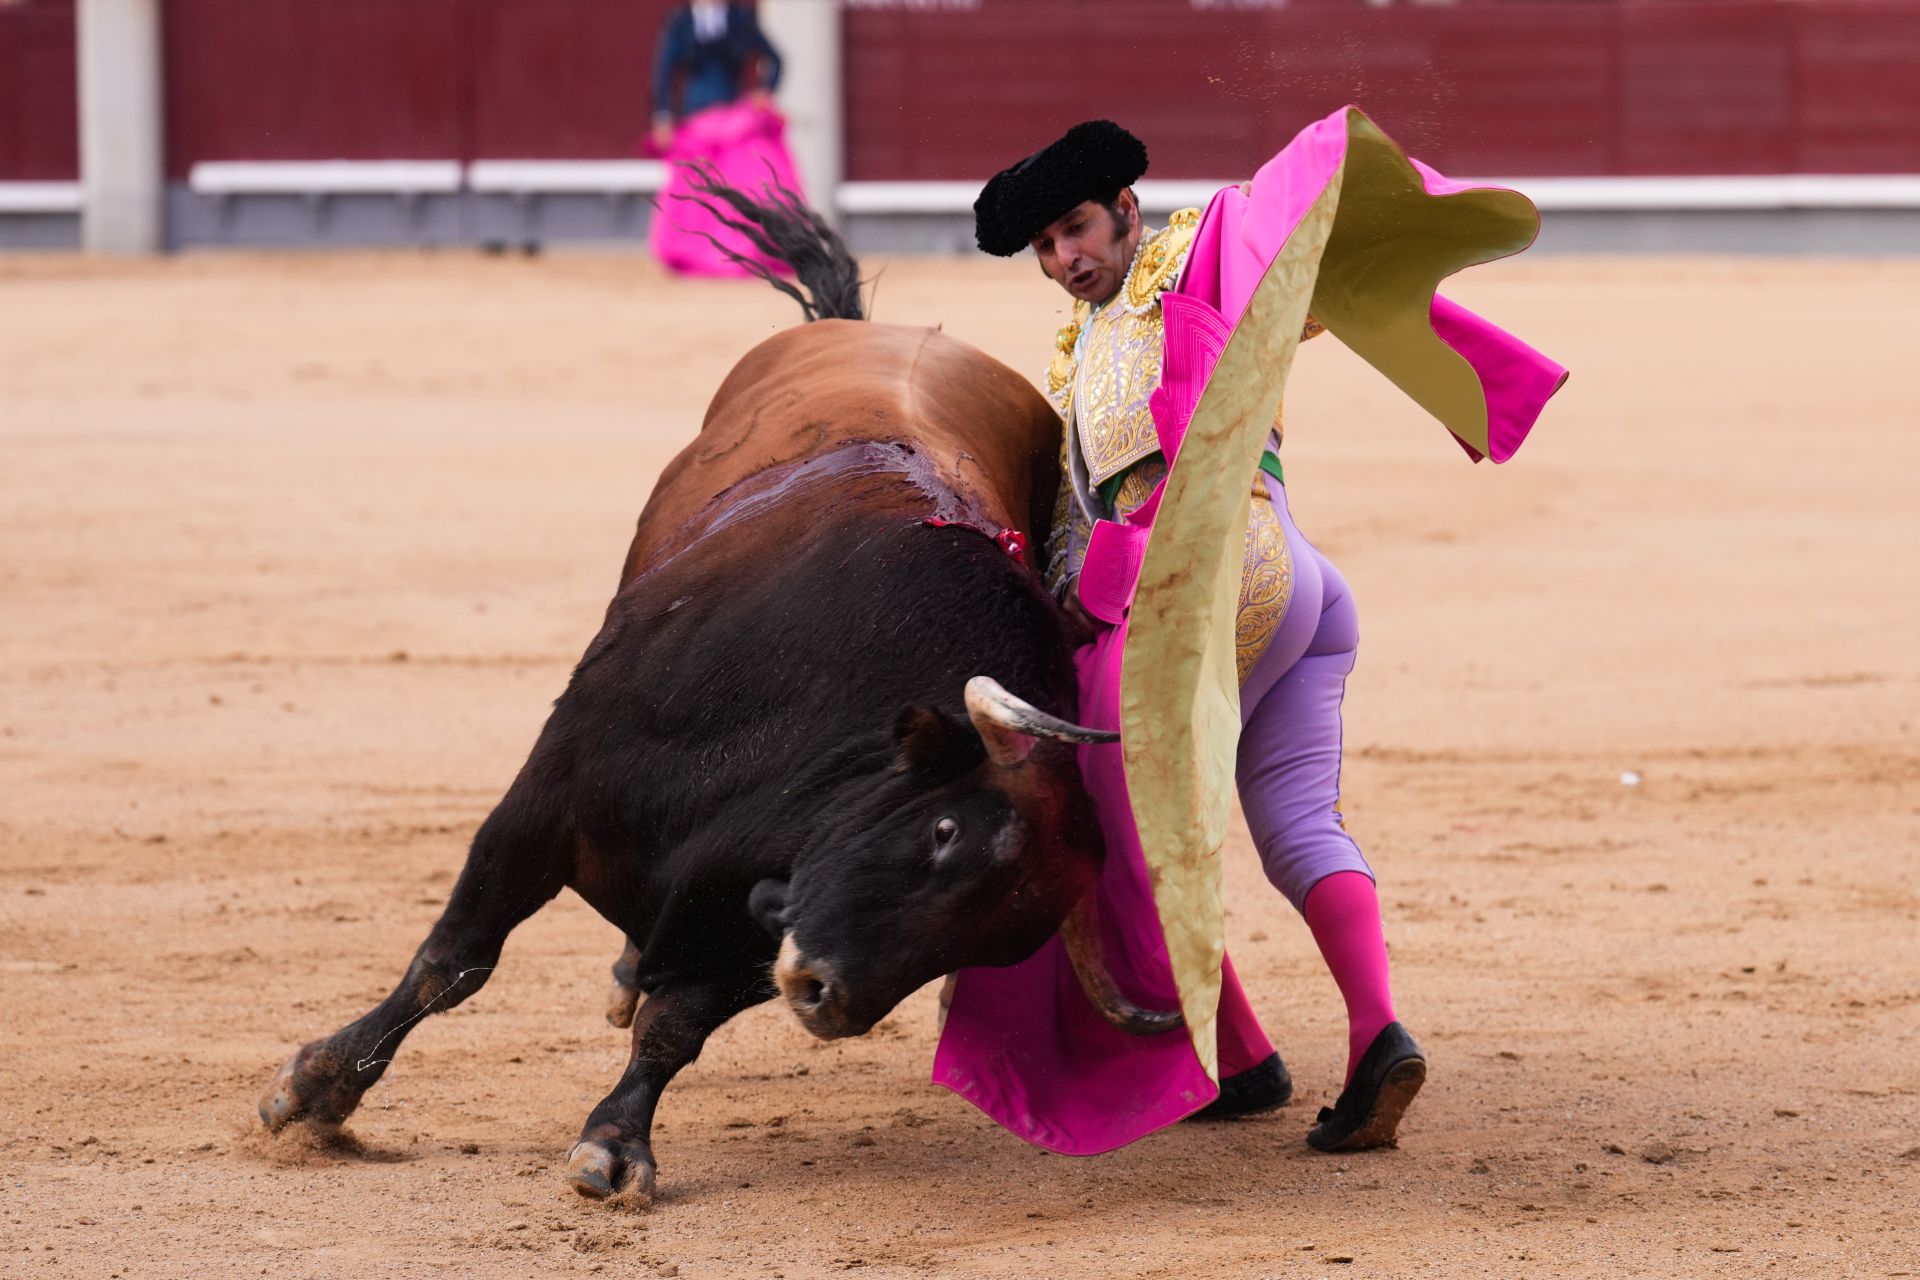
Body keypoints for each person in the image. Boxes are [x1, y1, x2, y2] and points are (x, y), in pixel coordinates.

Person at [971, 121, 1424, 1152]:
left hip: (1216, 583)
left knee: (1097, 809)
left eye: (1077, 228)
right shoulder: (1082, 346)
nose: (1065, 258)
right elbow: (1076, 523)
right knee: (1298, 828)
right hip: (1297, 583)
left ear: (1127, 210)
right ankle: (1377, 1036)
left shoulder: (1190, 257)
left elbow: (1280, 251)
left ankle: (1234, 1053)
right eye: (1044, 245)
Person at [647, 3, 800, 277]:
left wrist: (765, 91)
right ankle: (697, 251)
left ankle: (734, 250)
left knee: (732, 185)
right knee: (700, 187)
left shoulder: (739, 17)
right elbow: (665, 69)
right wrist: (662, 115)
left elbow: (775, 58)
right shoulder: (681, 21)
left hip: (732, 116)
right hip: (696, 116)